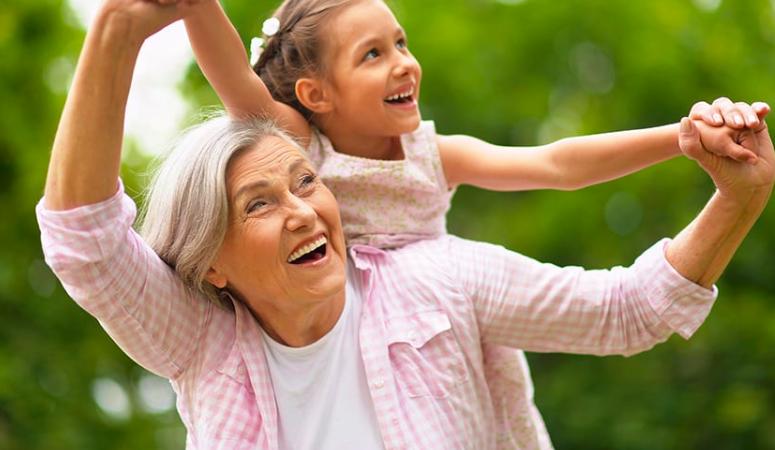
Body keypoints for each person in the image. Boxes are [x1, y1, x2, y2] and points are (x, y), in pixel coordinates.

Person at [38, 1, 773, 450]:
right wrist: (129, 25)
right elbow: (87, 242)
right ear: (211, 265)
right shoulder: (205, 339)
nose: (301, 206)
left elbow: (613, 282)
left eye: (303, 183)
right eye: (259, 205)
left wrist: (714, 175)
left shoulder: (437, 267)